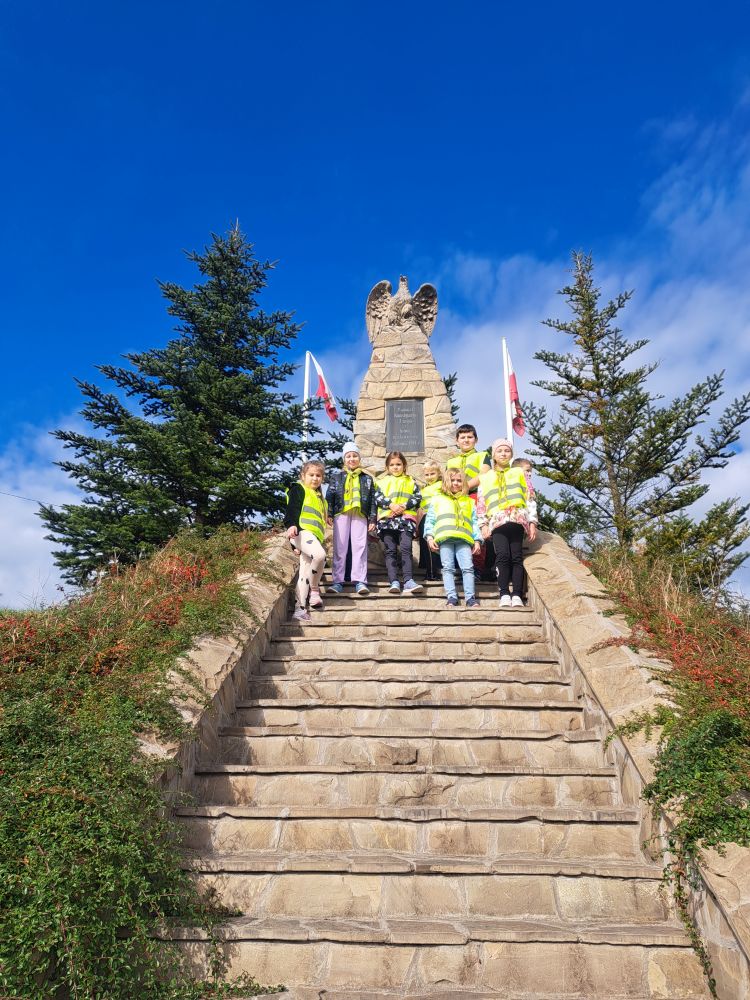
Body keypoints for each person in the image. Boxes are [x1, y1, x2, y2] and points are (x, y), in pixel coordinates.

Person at [476, 439, 537, 608]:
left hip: (517, 520)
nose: (503, 454)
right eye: (499, 451)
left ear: (511, 454)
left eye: (507, 451)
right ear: (494, 455)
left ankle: (517, 594)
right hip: (497, 522)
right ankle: (504, 593)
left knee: (516, 557)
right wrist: (483, 525)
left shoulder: (520, 473)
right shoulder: (485, 478)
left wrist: (532, 522)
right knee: (502, 556)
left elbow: (530, 498)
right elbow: (481, 504)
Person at [424, 467, 482, 607]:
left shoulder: (469, 501)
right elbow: (430, 520)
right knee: (448, 568)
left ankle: (470, 598)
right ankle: (451, 597)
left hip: (464, 539)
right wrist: (430, 537)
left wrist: (477, 540)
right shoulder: (437, 499)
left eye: (459, 480)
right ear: (446, 482)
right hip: (445, 539)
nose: (456, 483)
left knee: (468, 568)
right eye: (452, 480)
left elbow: (474, 522)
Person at [326, 442, 376, 596]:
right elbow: (330, 496)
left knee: (360, 547)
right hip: (341, 513)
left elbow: (372, 500)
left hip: (360, 514)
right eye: (348, 456)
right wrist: (329, 513)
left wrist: (372, 518)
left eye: (355, 456)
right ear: (344, 459)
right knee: (340, 547)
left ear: (359, 458)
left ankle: (360, 581)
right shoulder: (336, 477)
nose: (352, 459)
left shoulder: (367, 478)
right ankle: (338, 581)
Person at [374, 451, 423, 595]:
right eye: (392, 465)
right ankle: (394, 581)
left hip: (406, 519)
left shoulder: (411, 482)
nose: (395, 467)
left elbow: (417, 497)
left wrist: (403, 506)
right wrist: (391, 505)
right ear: (387, 467)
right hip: (387, 520)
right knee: (390, 551)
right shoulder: (380, 482)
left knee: (406, 548)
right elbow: (377, 497)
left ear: (404, 465)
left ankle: (408, 581)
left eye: (398, 464)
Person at [284, 460, 328, 622]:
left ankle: (300, 609)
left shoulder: (321, 499)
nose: (315, 478)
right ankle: (314, 590)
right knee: (320, 556)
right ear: (303, 476)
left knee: (304, 573)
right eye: (311, 475)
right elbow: (292, 509)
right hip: (301, 533)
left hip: (313, 538)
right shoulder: (298, 488)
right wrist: (291, 526)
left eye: (318, 475)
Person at [417, 459, 443, 581]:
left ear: (438, 473)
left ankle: (435, 571)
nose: (429, 477)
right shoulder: (423, 489)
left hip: (438, 516)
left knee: (435, 544)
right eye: (427, 475)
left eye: (432, 474)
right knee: (426, 544)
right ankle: (429, 571)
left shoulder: (442, 486)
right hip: (425, 517)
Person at [446, 423, 489, 492]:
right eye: (462, 437)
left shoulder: (483, 456)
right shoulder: (450, 462)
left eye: (470, 437)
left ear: (476, 440)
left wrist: (464, 488)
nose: (466, 440)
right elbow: (446, 481)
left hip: (475, 495)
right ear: (457, 441)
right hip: (454, 496)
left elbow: (484, 475)